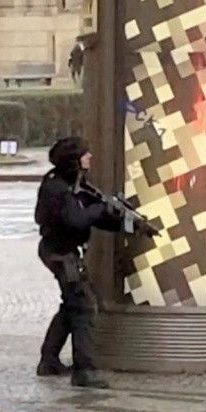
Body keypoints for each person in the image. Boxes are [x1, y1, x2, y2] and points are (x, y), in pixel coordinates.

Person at [35, 137, 139, 388]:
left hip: (62, 251)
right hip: (62, 254)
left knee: (72, 305)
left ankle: (48, 360)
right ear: (74, 160)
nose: (90, 157)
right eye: (85, 154)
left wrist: (126, 222)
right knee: (83, 307)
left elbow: (93, 215)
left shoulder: (68, 184)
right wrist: (102, 208)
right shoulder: (57, 188)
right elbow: (78, 219)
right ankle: (84, 370)